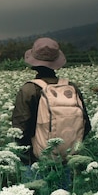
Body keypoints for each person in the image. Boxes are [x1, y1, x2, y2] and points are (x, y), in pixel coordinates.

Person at [11, 37, 91, 174]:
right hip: (68, 161)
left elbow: (20, 130)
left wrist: (25, 158)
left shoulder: (29, 89)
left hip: (36, 163)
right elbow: (86, 126)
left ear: (33, 63)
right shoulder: (71, 88)